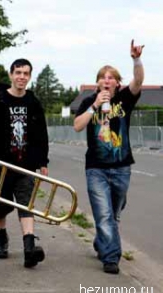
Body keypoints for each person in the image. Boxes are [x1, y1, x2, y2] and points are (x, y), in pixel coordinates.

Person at [73, 40, 144, 274]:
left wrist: (136, 59)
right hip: (96, 168)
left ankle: (102, 242)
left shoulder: (125, 98)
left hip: (122, 167)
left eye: (111, 77)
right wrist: (94, 106)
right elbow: (77, 126)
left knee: (112, 213)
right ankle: (111, 257)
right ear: (97, 83)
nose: (106, 80)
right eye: (102, 77)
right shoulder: (88, 101)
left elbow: (139, 80)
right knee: (103, 214)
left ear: (117, 82)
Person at [0, 59, 48, 268]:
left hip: (25, 165)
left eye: (26, 73)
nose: (22, 77)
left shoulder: (33, 102)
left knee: (26, 203)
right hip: (0, 164)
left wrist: (43, 161)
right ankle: (1, 237)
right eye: (18, 72)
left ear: (30, 77)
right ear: (11, 74)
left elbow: (41, 134)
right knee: (0, 204)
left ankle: (29, 247)